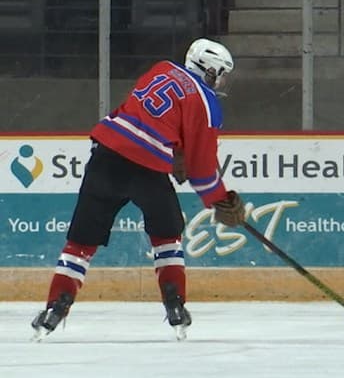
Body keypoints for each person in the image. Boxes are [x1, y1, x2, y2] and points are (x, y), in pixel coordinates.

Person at [30, 38, 247, 342]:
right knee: (167, 233)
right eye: (221, 73)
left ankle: (55, 307)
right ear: (209, 70)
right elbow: (202, 169)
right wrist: (220, 200)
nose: (222, 81)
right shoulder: (206, 102)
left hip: (106, 155)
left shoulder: (162, 68)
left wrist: (175, 150)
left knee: (81, 241)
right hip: (147, 169)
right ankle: (175, 304)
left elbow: (142, 116)